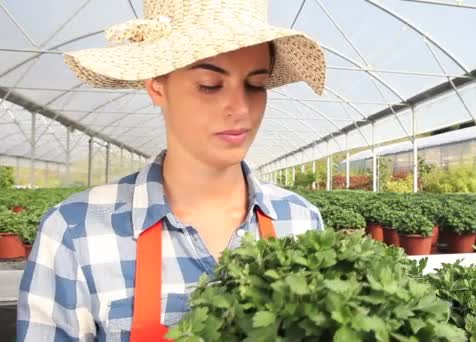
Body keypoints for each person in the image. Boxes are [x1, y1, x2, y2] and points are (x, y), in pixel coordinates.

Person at [17, 0, 326, 340]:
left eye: (256, 85)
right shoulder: (75, 231)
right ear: (156, 86)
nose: (240, 108)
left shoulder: (300, 221)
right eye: (210, 84)